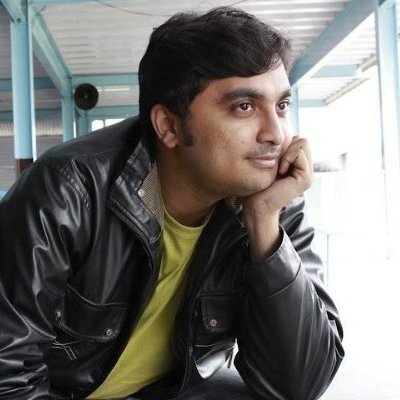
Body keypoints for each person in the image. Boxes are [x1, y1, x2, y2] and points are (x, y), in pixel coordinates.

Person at [0, 7, 344, 400]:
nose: (276, 134)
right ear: (169, 126)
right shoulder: (70, 190)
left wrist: (264, 224)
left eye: (281, 106)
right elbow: (8, 376)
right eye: (244, 107)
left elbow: (299, 384)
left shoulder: (272, 201)